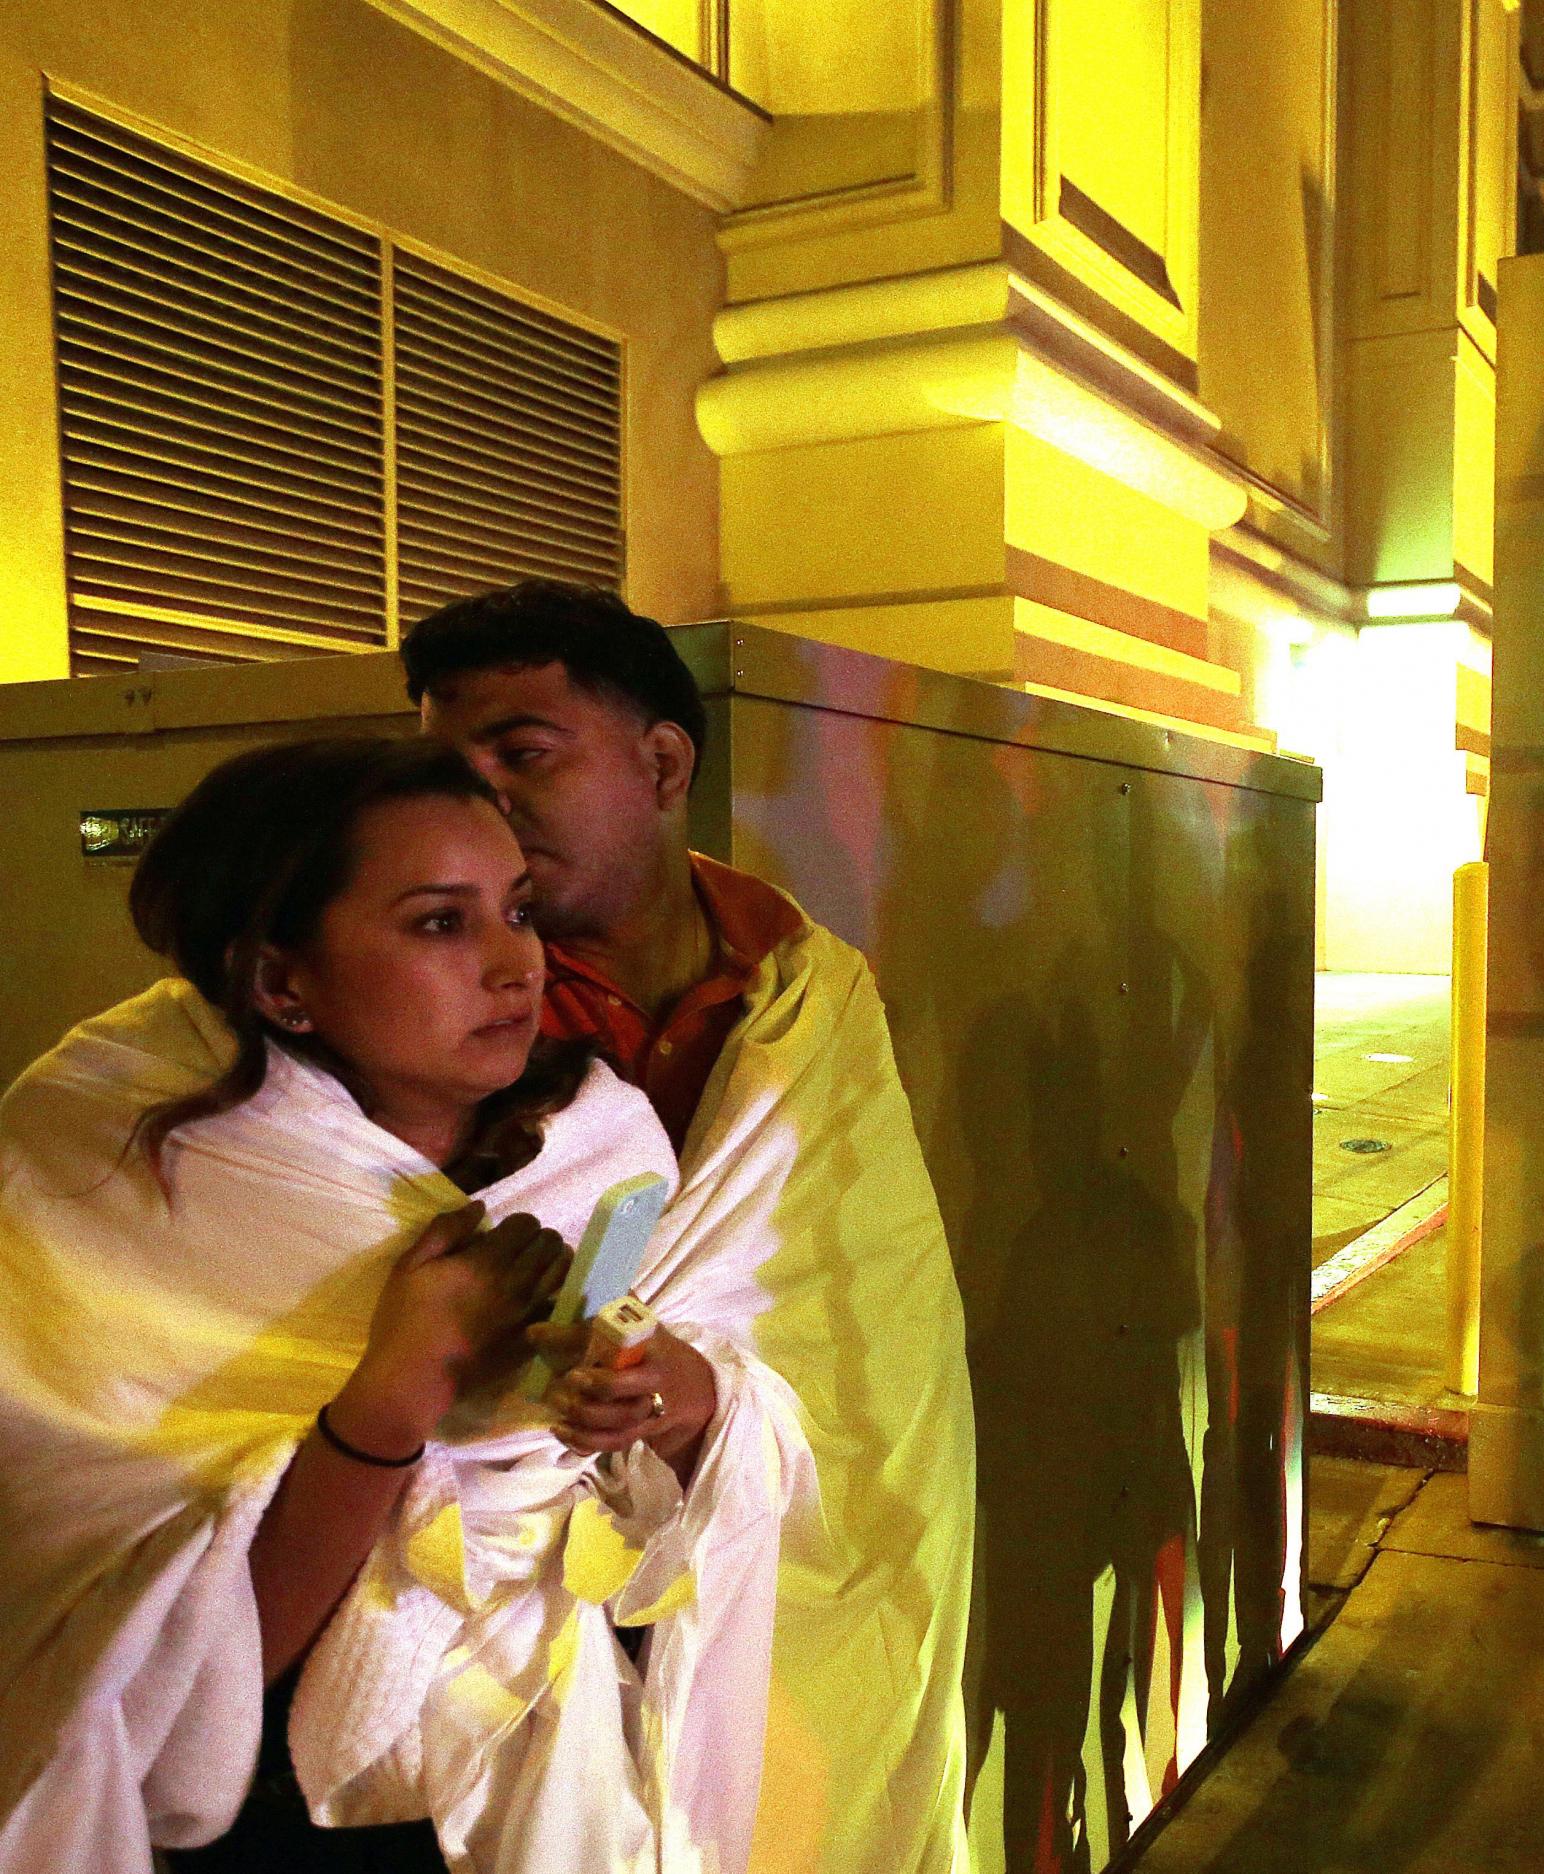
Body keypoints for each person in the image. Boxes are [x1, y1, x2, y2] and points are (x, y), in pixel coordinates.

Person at [0, 738, 809, 1872]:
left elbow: (714, 1466)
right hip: (269, 1819)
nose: (514, 963)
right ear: (281, 979)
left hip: (537, 1760)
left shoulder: (597, 1144)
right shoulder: (114, 1169)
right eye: (440, 922)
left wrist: (674, 1396)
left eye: (517, 910)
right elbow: (152, 1698)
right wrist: (394, 1395)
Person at [400, 582, 979, 1874]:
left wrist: (709, 1388)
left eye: (522, 751)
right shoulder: (414, 982)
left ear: (663, 759)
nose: (480, 796)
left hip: (747, 1543)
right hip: (476, 1588)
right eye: (452, 765)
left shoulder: (806, 989)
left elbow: (866, 1312)